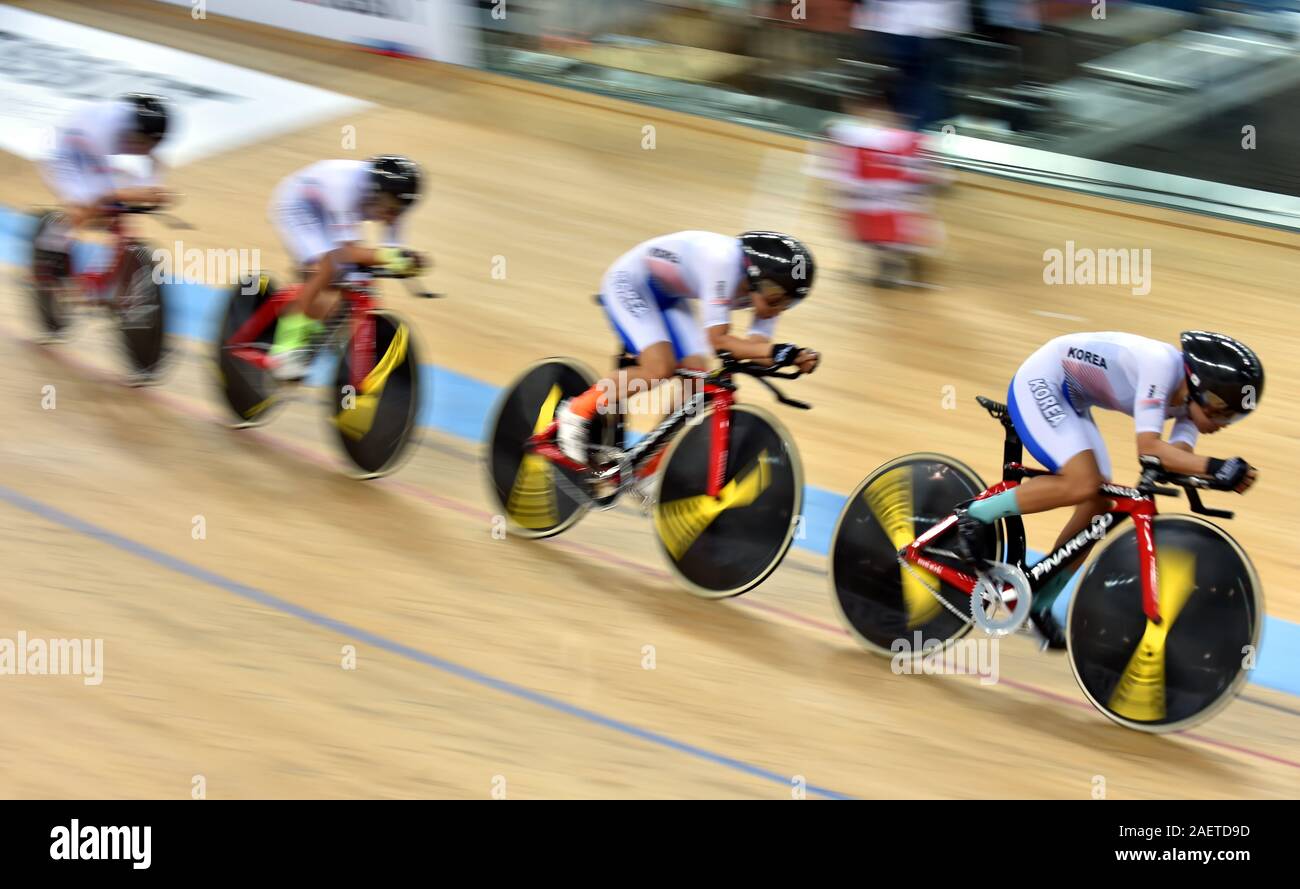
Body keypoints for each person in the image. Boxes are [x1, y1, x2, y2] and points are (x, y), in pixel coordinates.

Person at [959, 330, 1263, 648]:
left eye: (1236, 415)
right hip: (1044, 381)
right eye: (1224, 411)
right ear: (1204, 391)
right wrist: (1216, 466)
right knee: (1083, 482)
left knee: (1100, 503)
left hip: (1073, 399)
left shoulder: (1190, 406)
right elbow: (1149, 448)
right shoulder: (1161, 366)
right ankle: (976, 514)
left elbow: (1176, 459)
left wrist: (1221, 476)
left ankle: (1039, 601)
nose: (1226, 423)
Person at [556, 231, 821, 470]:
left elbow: (759, 351)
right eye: (775, 298)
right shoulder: (722, 263)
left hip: (670, 296)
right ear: (754, 276)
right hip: (630, 282)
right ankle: (577, 411)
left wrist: (793, 356)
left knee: (697, 380)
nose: (779, 308)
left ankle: (651, 469)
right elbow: (720, 341)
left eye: (790, 301)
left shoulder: (771, 293)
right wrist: (776, 351)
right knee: (658, 368)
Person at [265, 155, 425, 380]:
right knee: (326, 268)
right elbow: (348, 252)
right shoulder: (345, 186)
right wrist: (389, 257)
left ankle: (318, 320)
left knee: (354, 277)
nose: (393, 216)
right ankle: (286, 347)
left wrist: (409, 261)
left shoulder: (395, 204)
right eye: (389, 208)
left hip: (328, 214)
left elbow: (391, 252)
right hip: (298, 207)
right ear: (375, 192)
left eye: (399, 210)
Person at [36, 93, 173, 271]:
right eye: (144, 143)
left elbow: (155, 163)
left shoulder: (142, 130)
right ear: (134, 132)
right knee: (85, 206)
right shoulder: (105, 131)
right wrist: (132, 193)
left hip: (90, 150)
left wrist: (155, 188)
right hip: (62, 152)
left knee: (110, 208)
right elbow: (101, 192)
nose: (149, 149)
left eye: (155, 143)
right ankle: (50, 247)